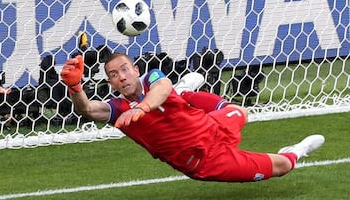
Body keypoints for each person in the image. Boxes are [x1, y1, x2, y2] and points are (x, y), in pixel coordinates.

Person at [60, 52, 325, 182]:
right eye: (114, 75)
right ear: (111, 82)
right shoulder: (118, 107)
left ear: (135, 69)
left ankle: (182, 92)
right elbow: (88, 110)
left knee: (241, 112)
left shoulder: (153, 79)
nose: (122, 76)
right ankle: (296, 151)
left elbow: (161, 88)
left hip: (212, 127)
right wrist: (75, 88)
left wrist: (141, 108)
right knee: (283, 167)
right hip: (206, 162)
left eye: (125, 69)